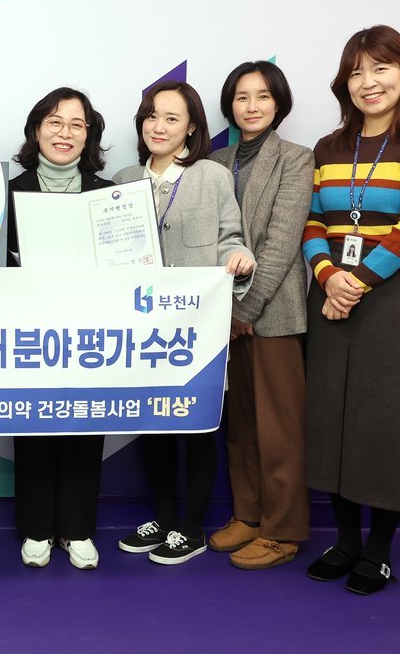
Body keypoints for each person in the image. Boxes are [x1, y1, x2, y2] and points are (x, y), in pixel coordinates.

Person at [302, 25, 400, 595]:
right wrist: (328, 276)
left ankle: (380, 549)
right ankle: (345, 541)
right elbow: (314, 221)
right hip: (333, 291)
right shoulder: (329, 147)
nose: (368, 82)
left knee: (388, 421)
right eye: (356, 72)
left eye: (381, 68)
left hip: (394, 297)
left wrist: (355, 283)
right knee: (333, 417)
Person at [113, 80, 255, 565]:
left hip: (196, 328)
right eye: (152, 116)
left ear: (192, 127)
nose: (159, 126)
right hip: (139, 328)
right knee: (152, 426)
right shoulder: (123, 178)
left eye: (172, 118)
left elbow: (231, 237)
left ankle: (190, 528)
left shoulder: (211, 175)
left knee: (195, 427)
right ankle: (163, 517)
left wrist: (239, 257)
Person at [208, 62, 315, 569]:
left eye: (263, 96)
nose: (252, 106)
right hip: (220, 315)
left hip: (273, 313)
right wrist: (225, 312)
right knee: (241, 423)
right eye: (242, 96)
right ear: (230, 104)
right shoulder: (216, 161)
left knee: (279, 428)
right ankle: (249, 515)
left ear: (279, 103)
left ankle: (283, 530)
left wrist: (246, 309)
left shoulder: (296, 158)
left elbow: (281, 243)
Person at [7, 87, 111, 570]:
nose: (64, 133)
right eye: (54, 122)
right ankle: (36, 528)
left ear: (88, 134)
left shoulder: (108, 194)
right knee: (33, 425)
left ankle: (78, 528)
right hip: (27, 330)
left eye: (76, 124)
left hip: (91, 332)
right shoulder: (9, 192)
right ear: (36, 130)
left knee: (84, 423)